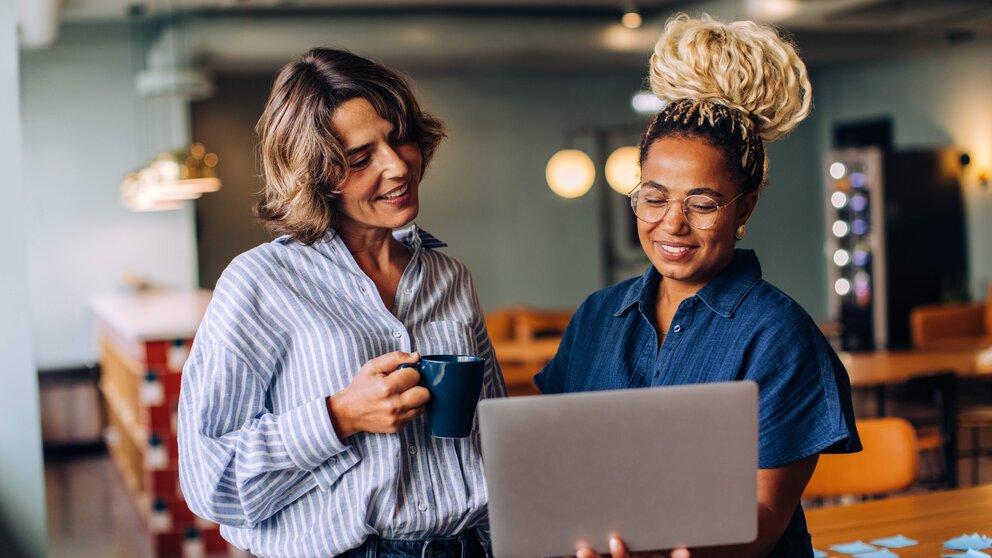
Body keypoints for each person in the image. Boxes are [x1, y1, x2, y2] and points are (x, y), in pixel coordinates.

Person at [535, 14, 861, 558]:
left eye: (703, 203)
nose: (672, 224)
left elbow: (762, 521)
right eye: (654, 197)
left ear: (744, 208)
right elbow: (559, 464)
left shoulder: (779, 335)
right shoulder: (596, 316)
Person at [177, 48, 506, 558]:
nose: (397, 166)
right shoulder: (260, 283)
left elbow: (494, 439)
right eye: (360, 159)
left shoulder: (451, 278)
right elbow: (210, 483)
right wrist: (338, 417)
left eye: (398, 138)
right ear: (315, 175)